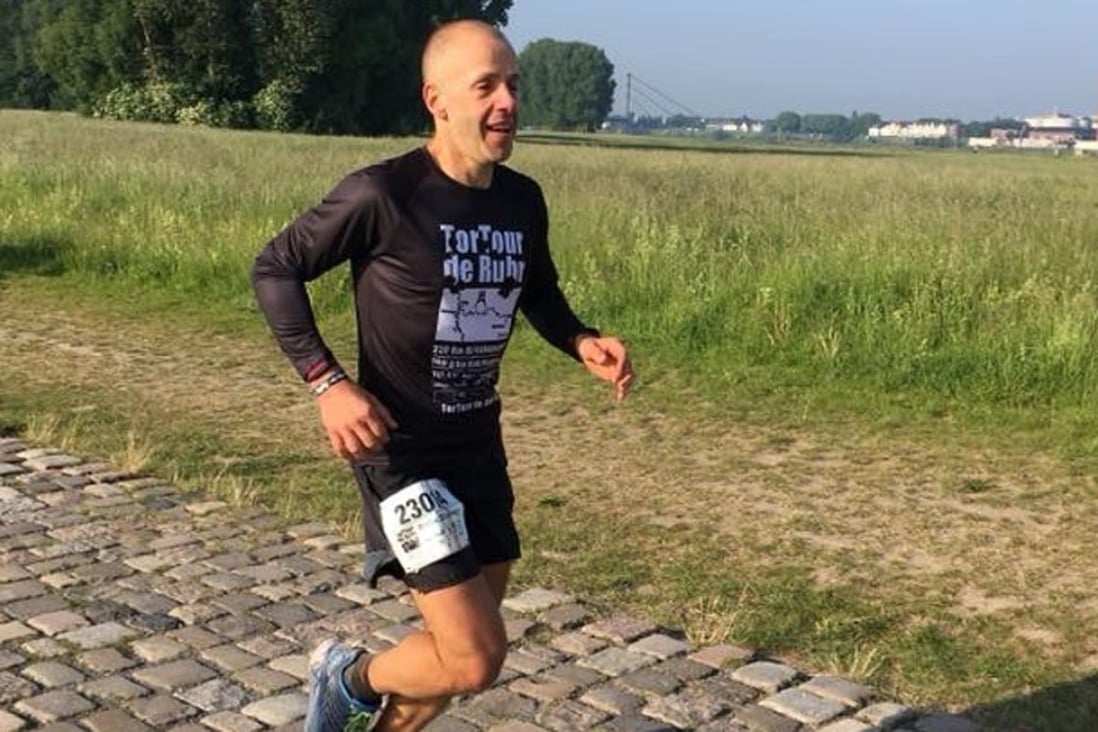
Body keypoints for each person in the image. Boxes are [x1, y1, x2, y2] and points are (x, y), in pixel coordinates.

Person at [251, 18, 633, 732]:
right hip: (399, 451)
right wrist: (327, 384)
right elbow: (275, 268)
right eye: (485, 86)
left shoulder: (522, 199)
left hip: (477, 445)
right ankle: (349, 676)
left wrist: (580, 339)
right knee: (474, 657)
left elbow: (538, 290)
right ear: (438, 100)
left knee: (458, 655)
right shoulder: (383, 195)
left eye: (514, 86)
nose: (508, 102)